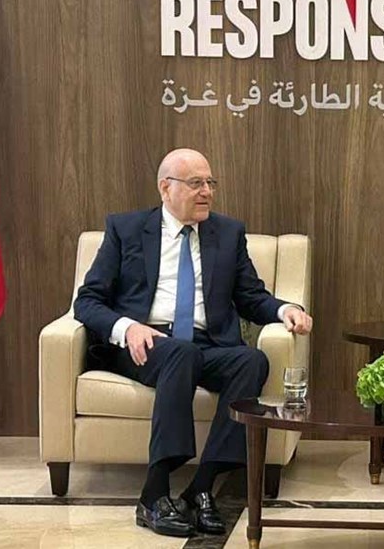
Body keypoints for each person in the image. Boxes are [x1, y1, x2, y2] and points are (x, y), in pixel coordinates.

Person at [73, 148, 313, 538]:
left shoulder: (228, 233)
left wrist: (285, 309)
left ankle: (201, 487)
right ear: (165, 188)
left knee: (251, 361)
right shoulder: (126, 229)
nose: (207, 192)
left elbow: (251, 296)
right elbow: (87, 301)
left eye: (210, 183)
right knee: (179, 353)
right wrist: (127, 327)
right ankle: (153, 494)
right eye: (196, 183)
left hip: (206, 342)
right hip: (145, 342)